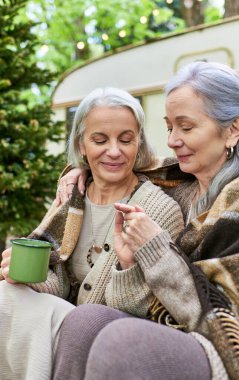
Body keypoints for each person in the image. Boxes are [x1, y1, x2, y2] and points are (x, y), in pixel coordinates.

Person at [52, 61, 239, 380]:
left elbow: (226, 323)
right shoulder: (178, 181)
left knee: (120, 343)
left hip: (220, 346)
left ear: (233, 129)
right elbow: (115, 163)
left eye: (186, 128)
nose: (172, 139)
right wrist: (78, 172)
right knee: (83, 321)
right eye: (169, 126)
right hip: (166, 320)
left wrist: (155, 250)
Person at [0, 87, 184, 379]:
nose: (114, 151)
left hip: (107, 334)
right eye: (100, 140)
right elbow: (58, 286)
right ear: (82, 145)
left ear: (139, 142)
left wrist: (127, 265)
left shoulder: (157, 210)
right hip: (65, 323)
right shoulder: (71, 197)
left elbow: (140, 312)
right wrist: (25, 276)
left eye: (126, 139)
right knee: (4, 294)